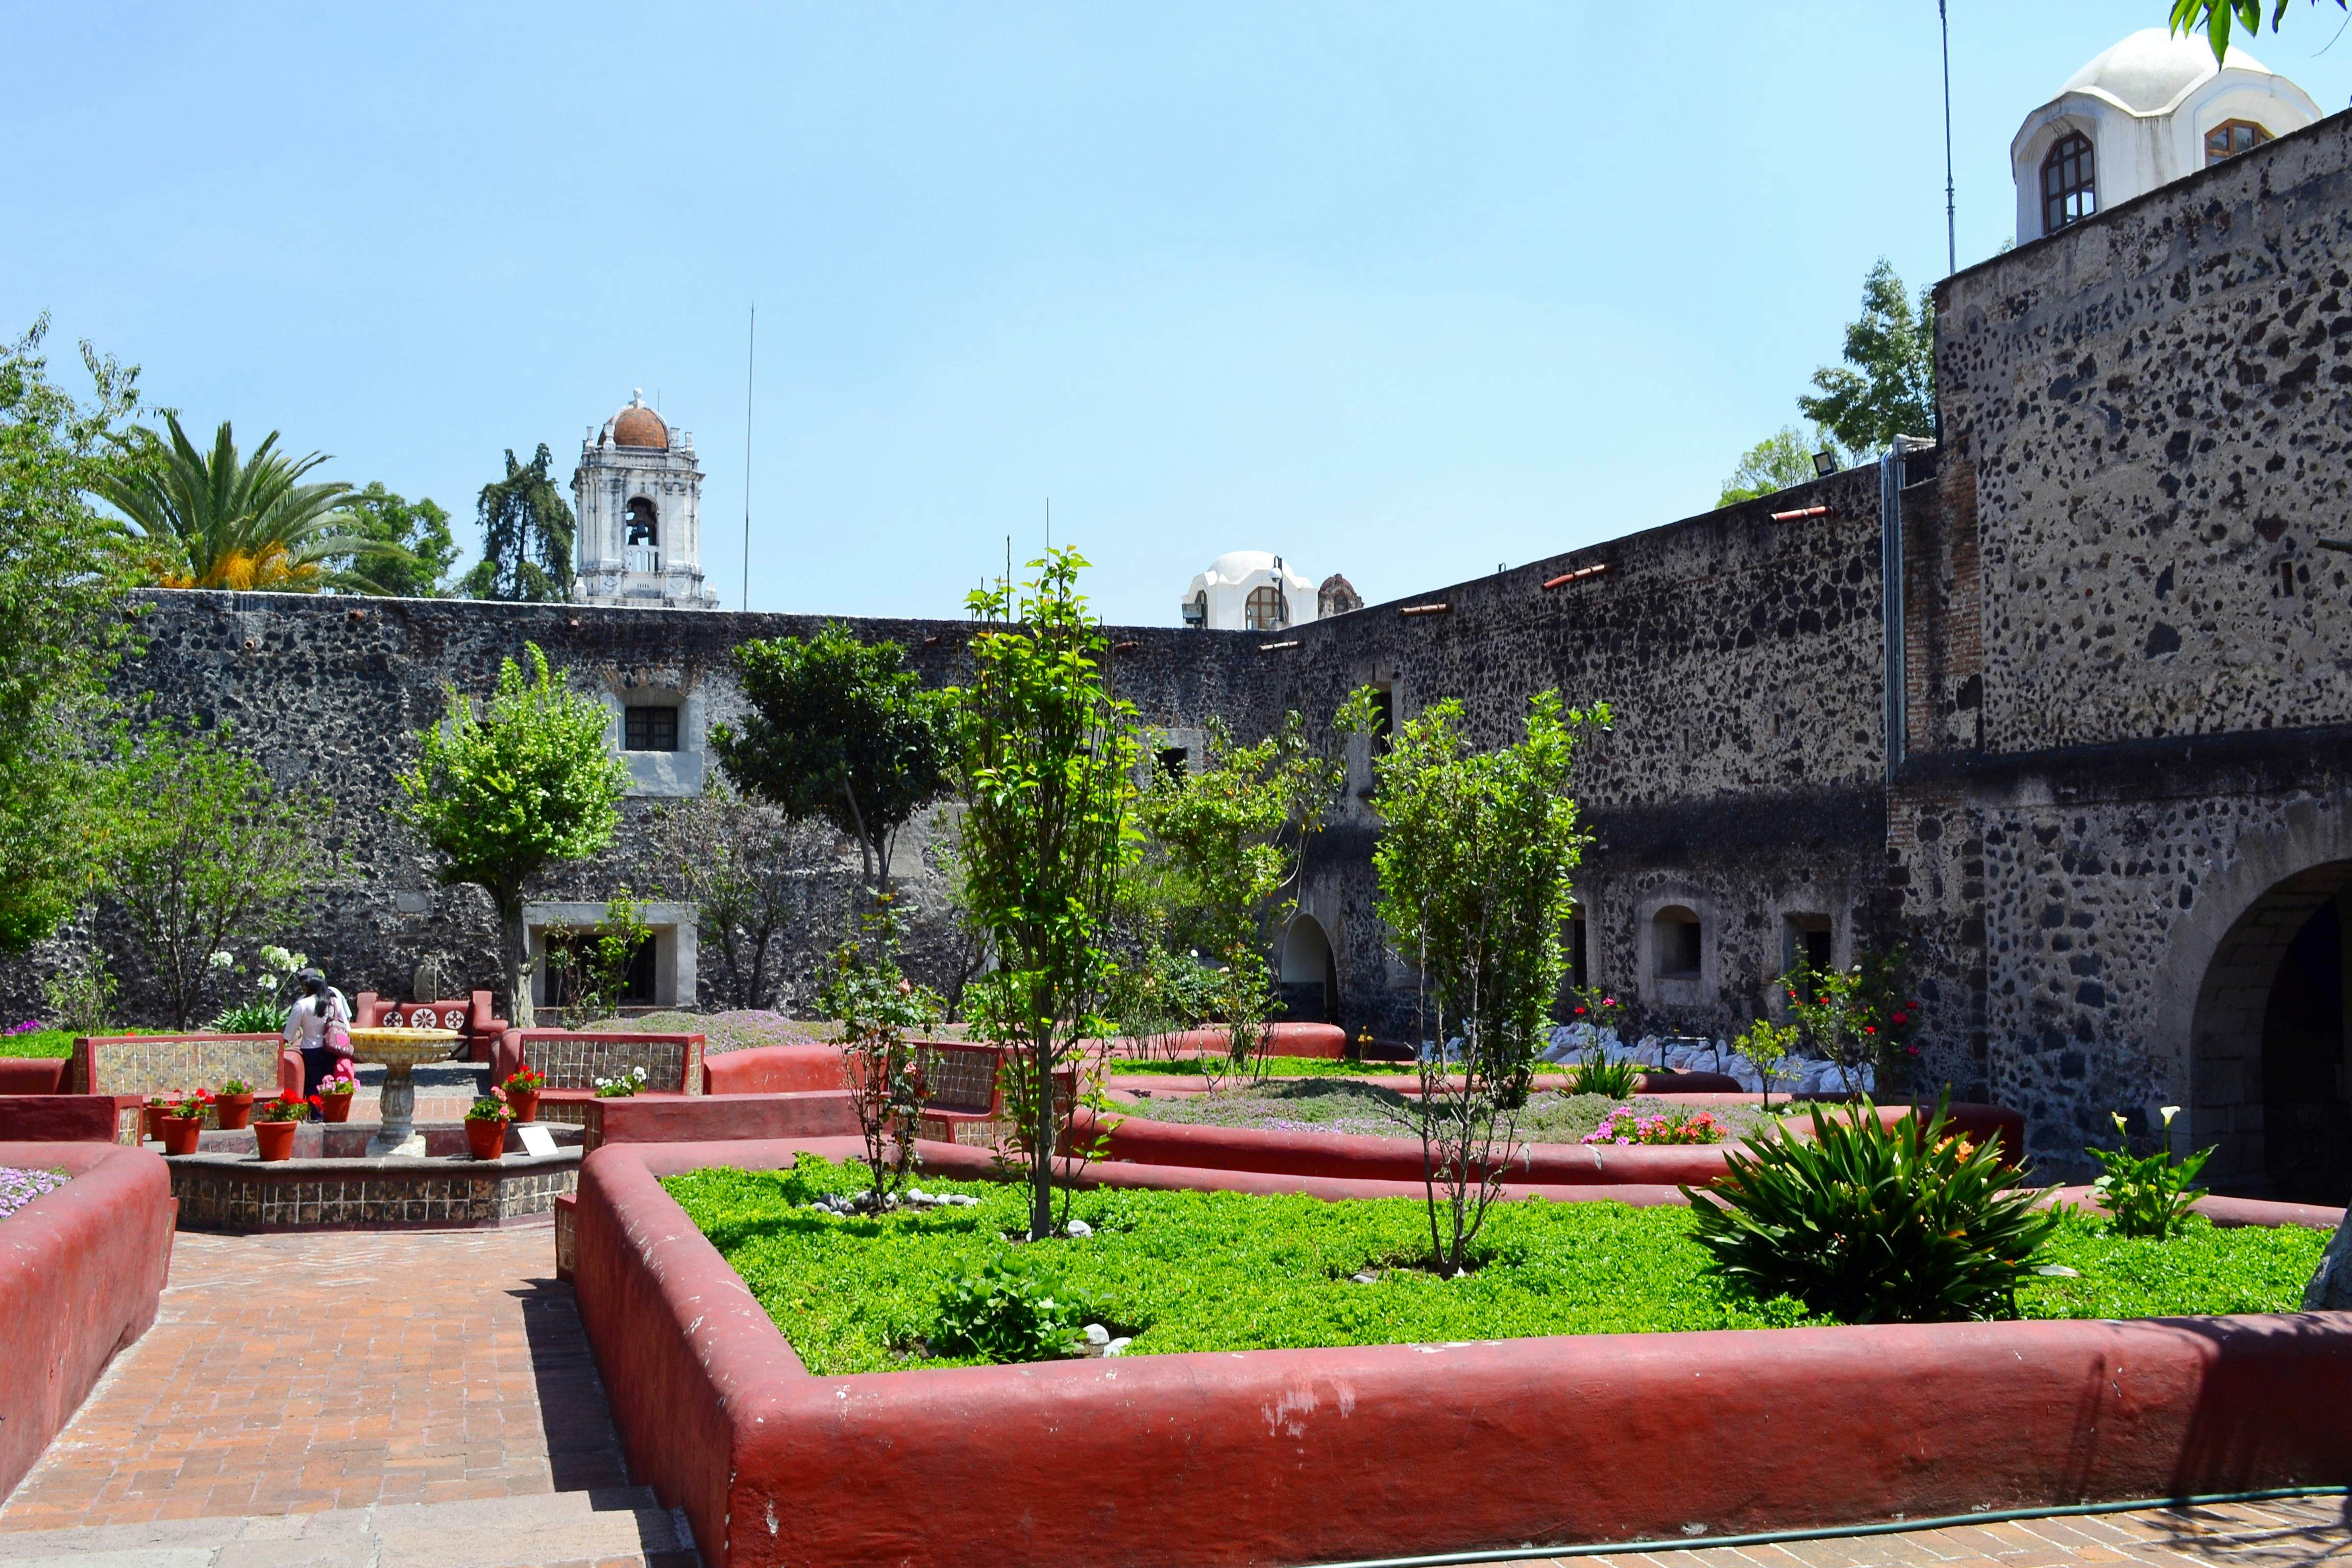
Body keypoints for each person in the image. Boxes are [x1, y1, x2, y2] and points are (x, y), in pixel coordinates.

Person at [283, 969, 353, 1103]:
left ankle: (316, 1112)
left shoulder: (302, 1004)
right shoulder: (333, 1001)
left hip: (310, 1050)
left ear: (309, 987)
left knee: (313, 1085)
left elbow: (289, 1034)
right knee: (329, 1082)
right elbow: (346, 1025)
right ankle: (330, 1110)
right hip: (331, 1048)